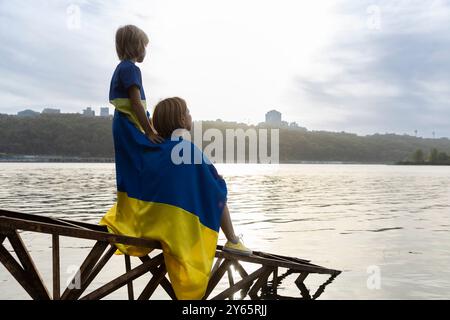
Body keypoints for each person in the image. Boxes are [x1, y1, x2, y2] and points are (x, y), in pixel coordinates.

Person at [100, 25, 250, 300]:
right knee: (217, 188)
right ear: (182, 121)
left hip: (149, 215)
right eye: (189, 113)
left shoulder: (158, 153)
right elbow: (134, 102)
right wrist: (147, 130)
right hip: (176, 228)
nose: (192, 117)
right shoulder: (184, 152)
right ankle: (233, 239)